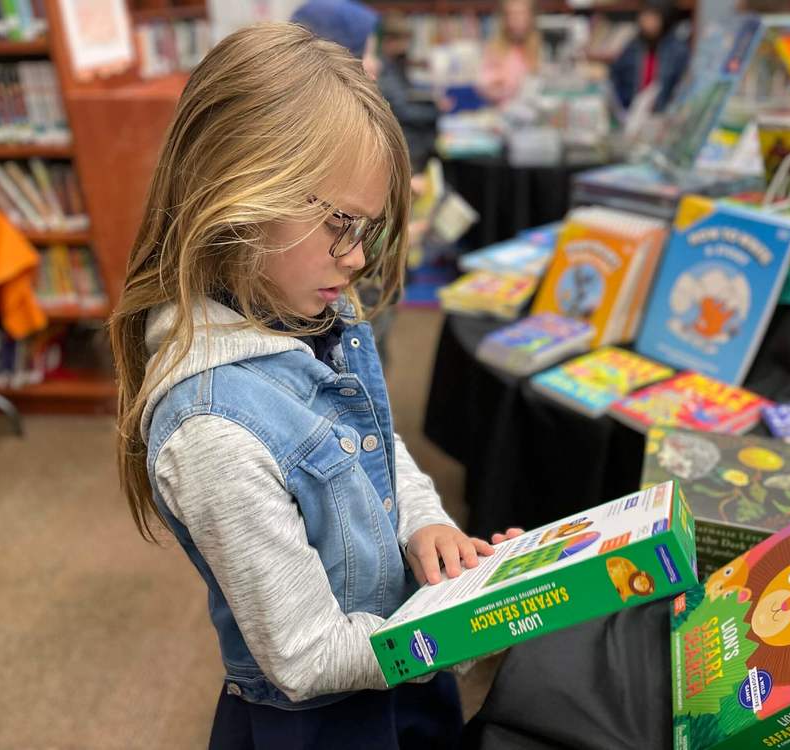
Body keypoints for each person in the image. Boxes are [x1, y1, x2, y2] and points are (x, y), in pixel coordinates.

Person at [109, 23, 519, 749]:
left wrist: (424, 523)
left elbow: (377, 446)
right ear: (238, 194)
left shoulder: (305, 307)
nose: (357, 258)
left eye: (367, 230)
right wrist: (471, 622)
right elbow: (305, 656)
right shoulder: (214, 433)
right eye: (340, 226)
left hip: (400, 676)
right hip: (328, 725)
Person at [378, 12, 441, 172]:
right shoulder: (385, 70)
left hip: (409, 136)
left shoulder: (395, 64)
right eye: (403, 41)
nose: (406, 47)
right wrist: (436, 110)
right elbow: (402, 110)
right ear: (389, 41)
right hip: (407, 141)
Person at [608, 0, 689, 114]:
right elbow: (615, 76)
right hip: (631, 112)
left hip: (660, 115)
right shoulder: (633, 45)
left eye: (653, 17)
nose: (646, 21)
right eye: (644, 15)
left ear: (664, 18)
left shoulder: (677, 50)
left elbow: (680, 88)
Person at [477, 0, 542, 105]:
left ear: (531, 16)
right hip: (504, 112)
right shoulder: (495, 49)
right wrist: (509, 88)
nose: (517, 20)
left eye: (522, 14)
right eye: (512, 14)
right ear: (504, 19)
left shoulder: (538, 47)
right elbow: (484, 87)